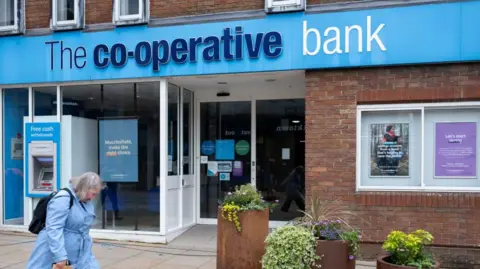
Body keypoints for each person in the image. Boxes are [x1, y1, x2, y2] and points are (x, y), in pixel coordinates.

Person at [27, 172, 103, 269]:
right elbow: (54, 228)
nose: (93, 197)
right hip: (54, 249)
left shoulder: (84, 201)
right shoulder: (63, 198)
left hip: (80, 250)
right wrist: (60, 256)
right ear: (85, 189)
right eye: (93, 194)